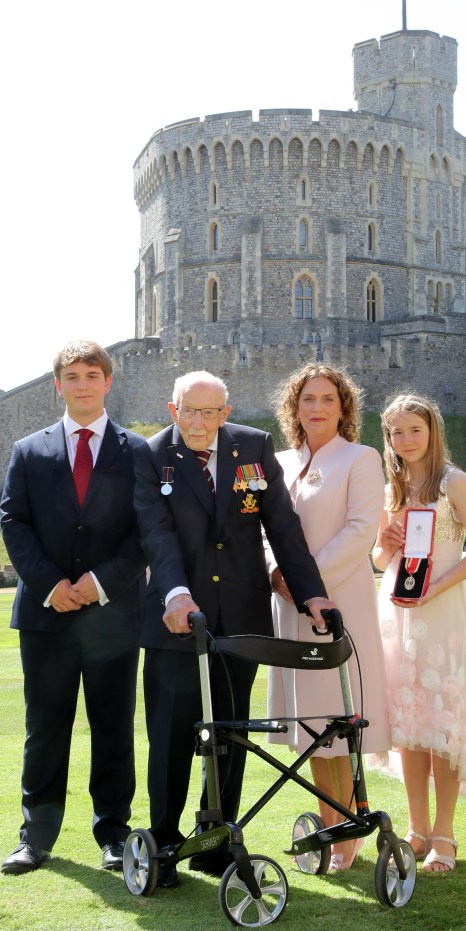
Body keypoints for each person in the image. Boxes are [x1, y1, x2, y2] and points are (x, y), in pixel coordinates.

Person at [133, 370, 336, 888]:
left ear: (226, 412)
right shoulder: (152, 455)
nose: (199, 423)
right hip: (176, 622)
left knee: (230, 736)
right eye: (189, 411)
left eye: (210, 412)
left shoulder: (253, 446)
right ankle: (166, 842)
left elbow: (282, 528)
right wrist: (177, 596)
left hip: (242, 619)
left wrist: (310, 592)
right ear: (173, 408)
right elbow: (157, 537)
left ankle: (217, 841)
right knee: (173, 737)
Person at [0, 340, 147, 874]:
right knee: (45, 727)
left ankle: (113, 833)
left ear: (109, 382)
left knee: (113, 726)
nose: (82, 384)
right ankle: (35, 837)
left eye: (92, 374)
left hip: (113, 616)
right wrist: (50, 585)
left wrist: (100, 583)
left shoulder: (137, 451)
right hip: (46, 616)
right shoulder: (29, 451)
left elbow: (144, 531)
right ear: (56, 385)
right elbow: (14, 523)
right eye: (72, 376)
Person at [266, 363, 390, 870]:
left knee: (341, 718)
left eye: (328, 400)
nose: (317, 408)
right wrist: (277, 572)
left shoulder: (361, 459)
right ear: (294, 408)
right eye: (308, 399)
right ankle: (330, 826)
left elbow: (361, 531)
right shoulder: (276, 462)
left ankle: (349, 826)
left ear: (344, 408)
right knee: (309, 723)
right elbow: (262, 530)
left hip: (340, 600)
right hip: (287, 605)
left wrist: (308, 581)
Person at [372, 393, 466, 873]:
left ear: (432, 432)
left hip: (442, 607)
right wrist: (383, 546)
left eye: (414, 430)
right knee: (409, 722)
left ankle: (444, 834)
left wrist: (438, 588)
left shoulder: (454, 482)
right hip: (399, 607)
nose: (405, 440)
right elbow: (382, 561)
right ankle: (417, 828)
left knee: (442, 720)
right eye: (396, 433)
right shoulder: (394, 486)